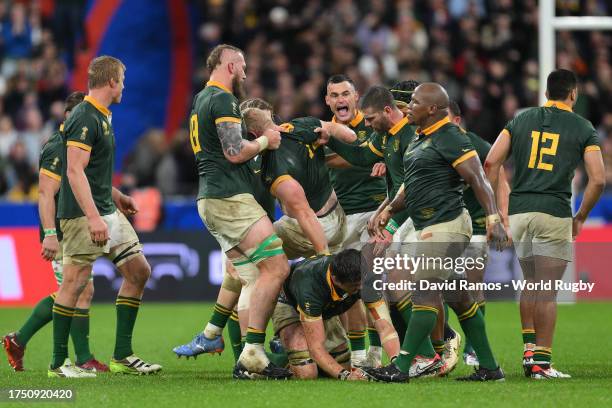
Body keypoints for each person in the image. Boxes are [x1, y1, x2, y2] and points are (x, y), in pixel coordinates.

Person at [367, 82, 507, 383]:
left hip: (447, 225)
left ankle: (402, 367)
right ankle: (490, 367)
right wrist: (390, 209)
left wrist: (494, 218)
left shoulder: (451, 136)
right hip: (429, 225)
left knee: (424, 293)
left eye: (415, 102)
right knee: (459, 297)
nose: (408, 107)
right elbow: (411, 184)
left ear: (432, 109)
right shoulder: (420, 138)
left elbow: (479, 178)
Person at [485, 69, 605, 379]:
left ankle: (529, 352)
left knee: (531, 284)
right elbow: (598, 179)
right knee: (547, 290)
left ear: (546, 93)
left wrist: (494, 211)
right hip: (553, 212)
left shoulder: (521, 120)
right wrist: (580, 216)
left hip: (521, 215)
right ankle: (542, 362)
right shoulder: (582, 127)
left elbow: (491, 162)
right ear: (573, 94)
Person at [51, 56, 161, 377]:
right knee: (74, 283)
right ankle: (58, 363)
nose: (124, 86)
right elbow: (74, 170)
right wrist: (93, 217)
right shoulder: (84, 116)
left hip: (107, 209)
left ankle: (122, 355)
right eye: (122, 80)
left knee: (138, 271)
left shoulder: (103, 116)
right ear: (112, 81)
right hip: (83, 215)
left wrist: (117, 196)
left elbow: (94, 173)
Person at [190, 44, 290, 379]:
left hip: (210, 199)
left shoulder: (201, 99)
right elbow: (234, 152)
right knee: (276, 267)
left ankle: (249, 358)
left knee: (251, 276)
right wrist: (266, 142)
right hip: (229, 198)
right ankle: (254, 352)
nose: (246, 73)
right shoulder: (221, 99)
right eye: (243, 66)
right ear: (230, 65)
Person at [3, 92, 108, 373]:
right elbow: (46, 194)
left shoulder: (77, 145)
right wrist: (50, 233)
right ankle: (31, 342)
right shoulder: (56, 147)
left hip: (75, 226)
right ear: (69, 117)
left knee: (82, 288)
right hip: (61, 230)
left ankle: (78, 355)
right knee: (73, 289)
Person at [324, 74, 391, 368]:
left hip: (375, 213)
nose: (340, 100)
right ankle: (359, 355)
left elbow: (384, 152)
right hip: (340, 219)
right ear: (328, 101)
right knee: (349, 287)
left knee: (371, 283)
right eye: (334, 95)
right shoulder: (325, 133)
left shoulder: (373, 125)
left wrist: (385, 158)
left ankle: (375, 353)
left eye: (345, 94)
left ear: (356, 97)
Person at [447, 100, 510, 366]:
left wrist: (501, 220)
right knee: (439, 288)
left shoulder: (478, 145)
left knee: (473, 287)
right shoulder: (431, 143)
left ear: (457, 120)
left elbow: (502, 183)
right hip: (445, 227)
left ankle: (473, 348)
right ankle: (445, 343)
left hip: (475, 226)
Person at [271, 249, 374, 380]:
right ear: (336, 280)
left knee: (340, 364)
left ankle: (295, 349)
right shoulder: (309, 285)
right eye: (355, 285)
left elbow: (383, 323)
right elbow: (316, 348)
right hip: (289, 302)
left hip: (323, 309)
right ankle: (273, 356)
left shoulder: (358, 276)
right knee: (307, 373)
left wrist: (396, 365)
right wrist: (346, 376)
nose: (360, 288)